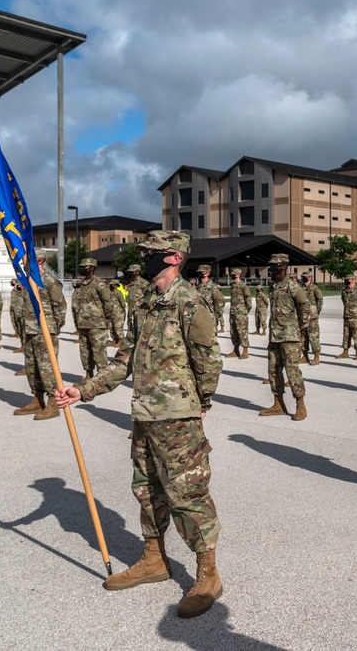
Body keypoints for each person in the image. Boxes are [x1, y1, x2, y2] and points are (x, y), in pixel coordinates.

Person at [54, 230, 224, 619]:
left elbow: (209, 361)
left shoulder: (190, 302)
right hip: (145, 415)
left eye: (152, 254)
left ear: (173, 259)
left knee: (188, 495)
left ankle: (208, 573)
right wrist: (84, 390)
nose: (145, 260)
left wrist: (202, 404)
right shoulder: (145, 301)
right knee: (146, 489)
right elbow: (123, 360)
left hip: (177, 419)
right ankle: (154, 559)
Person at [13, 249, 67, 420]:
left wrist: (52, 329)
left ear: (40, 261)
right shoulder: (28, 281)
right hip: (30, 330)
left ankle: (53, 402)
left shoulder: (49, 281)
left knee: (47, 368)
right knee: (32, 367)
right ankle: (37, 399)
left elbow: (60, 307)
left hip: (45, 331)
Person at [260, 254, 309, 421]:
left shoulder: (293, 287)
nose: (271, 269)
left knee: (292, 371)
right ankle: (278, 404)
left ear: (283, 266)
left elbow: (304, 310)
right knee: (273, 371)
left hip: (290, 337)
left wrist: (298, 332)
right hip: (274, 337)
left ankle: (300, 405)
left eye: (274, 266)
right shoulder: (273, 287)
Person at [72, 258, 122, 383]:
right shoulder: (81, 285)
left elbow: (108, 303)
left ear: (93, 268)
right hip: (83, 323)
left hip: (97, 325)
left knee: (99, 351)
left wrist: (104, 319)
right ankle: (88, 375)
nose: (84, 269)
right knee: (85, 352)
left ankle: (102, 378)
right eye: (82, 267)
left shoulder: (99, 284)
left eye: (87, 267)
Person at [336, 276, 357, 359]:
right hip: (346, 316)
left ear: (353, 280)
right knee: (346, 334)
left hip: (355, 317)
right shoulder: (344, 291)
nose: (346, 281)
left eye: (347, 279)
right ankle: (345, 351)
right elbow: (343, 301)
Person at [299, 271, 323, 365]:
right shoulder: (300, 288)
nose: (303, 278)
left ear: (310, 277)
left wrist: (316, 312)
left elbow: (320, 300)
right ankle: (305, 356)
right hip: (303, 316)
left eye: (304, 277)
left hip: (312, 316)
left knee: (314, 337)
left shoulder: (315, 288)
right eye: (302, 277)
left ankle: (316, 357)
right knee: (303, 337)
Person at [226, 268, 251, 359]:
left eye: (235, 274)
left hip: (241, 313)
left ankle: (245, 350)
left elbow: (248, 299)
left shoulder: (243, 285)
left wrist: (244, 311)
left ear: (239, 274)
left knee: (242, 331)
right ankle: (236, 350)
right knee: (234, 331)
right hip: (233, 312)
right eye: (232, 274)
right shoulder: (232, 285)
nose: (233, 276)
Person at [195, 265, 225, 334]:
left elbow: (220, 303)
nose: (200, 274)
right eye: (199, 273)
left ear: (208, 273)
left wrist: (215, 317)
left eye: (202, 272)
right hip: (198, 319)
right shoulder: (197, 288)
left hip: (209, 319)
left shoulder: (213, 287)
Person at [124, 264, 150, 331]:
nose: (130, 273)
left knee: (139, 329)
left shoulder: (144, 282)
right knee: (130, 327)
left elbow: (149, 296)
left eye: (132, 272)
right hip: (130, 309)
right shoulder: (130, 282)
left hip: (139, 310)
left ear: (137, 272)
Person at [107, 280, 126, 346]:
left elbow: (122, 303)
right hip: (110, 312)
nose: (112, 286)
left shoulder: (118, 293)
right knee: (111, 327)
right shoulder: (110, 293)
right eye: (111, 284)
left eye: (113, 284)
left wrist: (122, 311)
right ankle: (114, 340)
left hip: (118, 313)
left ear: (116, 285)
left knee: (118, 327)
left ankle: (120, 340)